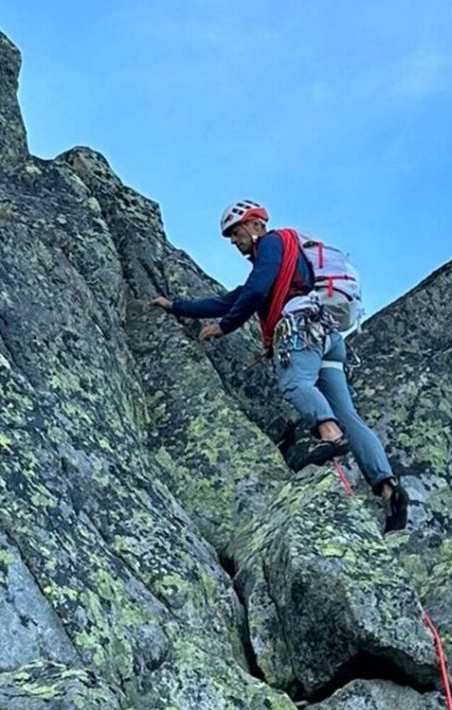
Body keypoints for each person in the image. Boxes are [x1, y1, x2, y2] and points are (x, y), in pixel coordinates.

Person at [153, 200, 408, 531]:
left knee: (294, 384)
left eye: (236, 232)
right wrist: (176, 306)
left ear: (256, 225)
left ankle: (329, 437)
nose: (234, 241)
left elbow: (254, 293)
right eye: (231, 236)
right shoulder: (281, 264)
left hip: (300, 329)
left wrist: (224, 326)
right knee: (349, 415)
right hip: (328, 337)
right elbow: (230, 298)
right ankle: (388, 489)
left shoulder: (272, 243)